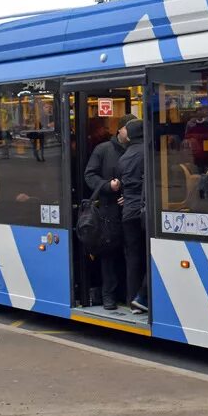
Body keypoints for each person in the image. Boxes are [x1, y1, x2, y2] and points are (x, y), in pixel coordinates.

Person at [84, 113, 136, 309]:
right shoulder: (103, 149)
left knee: (131, 253)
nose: (130, 133)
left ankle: (127, 293)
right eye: (127, 128)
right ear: (120, 130)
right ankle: (109, 295)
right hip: (108, 211)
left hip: (130, 209)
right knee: (109, 255)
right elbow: (89, 175)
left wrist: (131, 196)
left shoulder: (136, 150)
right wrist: (107, 186)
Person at [116, 118, 149, 313]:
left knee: (133, 257)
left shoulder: (123, 157)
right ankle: (143, 297)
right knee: (150, 254)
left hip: (128, 211)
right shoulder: (148, 153)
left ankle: (132, 300)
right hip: (145, 211)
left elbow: (122, 182)